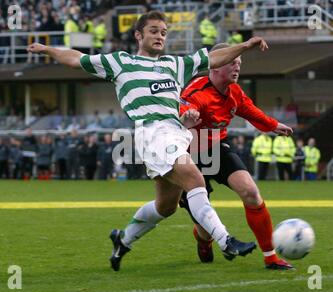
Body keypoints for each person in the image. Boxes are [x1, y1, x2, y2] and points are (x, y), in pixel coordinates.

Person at [27, 11, 269, 272]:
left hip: (176, 133)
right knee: (195, 179)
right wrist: (47, 49)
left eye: (163, 32)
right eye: (153, 31)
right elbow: (77, 59)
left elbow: (212, 58)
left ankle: (123, 240)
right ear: (138, 35)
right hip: (152, 134)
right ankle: (226, 241)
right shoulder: (121, 62)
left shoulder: (174, 65)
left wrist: (245, 46)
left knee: (166, 207)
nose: (159, 36)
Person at [179, 43, 294, 270]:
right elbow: (184, 112)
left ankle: (271, 257)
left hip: (217, 148)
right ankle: (204, 238)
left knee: (250, 191)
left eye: (239, 63)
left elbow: (250, 111)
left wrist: (272, 125)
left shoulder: (235, 92)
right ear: (216, 64)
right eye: (232, 62)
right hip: (187, 154)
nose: (237, 67)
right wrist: (187, 116)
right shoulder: (196, 91)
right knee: (203, 225)